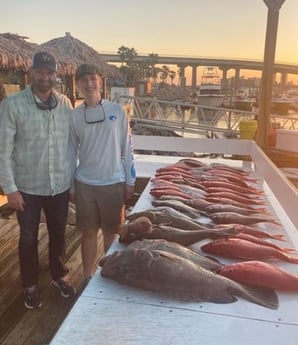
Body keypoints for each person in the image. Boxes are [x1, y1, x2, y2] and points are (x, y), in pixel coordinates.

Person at [0, 51, 76, 310]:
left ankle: (59, 274)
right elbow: (4, 151)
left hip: (60, 185)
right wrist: (10, 189)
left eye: (50, 72)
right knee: (27, 238)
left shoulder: (65, 103)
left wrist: (73, 181)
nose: (45, 77)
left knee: (58, 233)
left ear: (56, 75)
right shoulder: (12, 105)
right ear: (31, 73)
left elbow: (72, 143)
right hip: (27, 188)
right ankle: (30, 284)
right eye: (40, 72)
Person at [69, 63, 136, 281]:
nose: (89, 84)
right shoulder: (74, 116)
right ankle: (87, 276)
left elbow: (128, 146)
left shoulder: (117, 110)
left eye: (92, 79)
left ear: (100, 81)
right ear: (78, 84)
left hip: (113, 182)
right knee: (88, 233)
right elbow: (71, 152)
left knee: (112, 234)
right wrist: (71, 186)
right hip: (85, 183)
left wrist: (130, 179)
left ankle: (111, 276)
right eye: (83, 80)